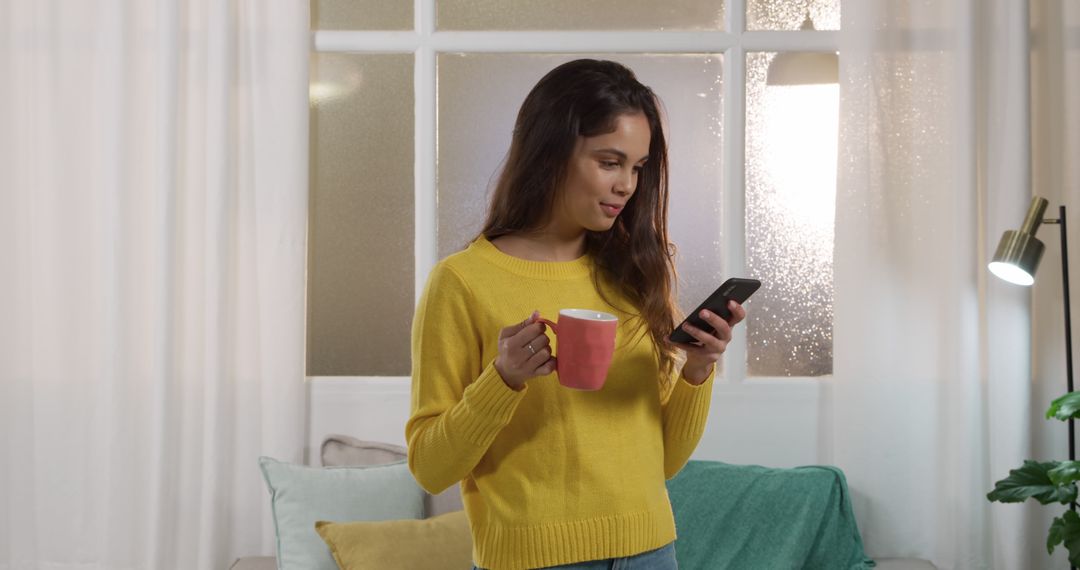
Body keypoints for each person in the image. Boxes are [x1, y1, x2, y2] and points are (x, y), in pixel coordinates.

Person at [405, 58, 746, 570]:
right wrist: (502, 380)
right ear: (551, 154)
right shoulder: (461, 283)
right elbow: (430, 468)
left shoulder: (635, 276)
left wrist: (698, 370)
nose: (627, 185)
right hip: (531, 561)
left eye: (637, 167)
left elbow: (665, 461)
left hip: (651, 552)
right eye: (609, 162)